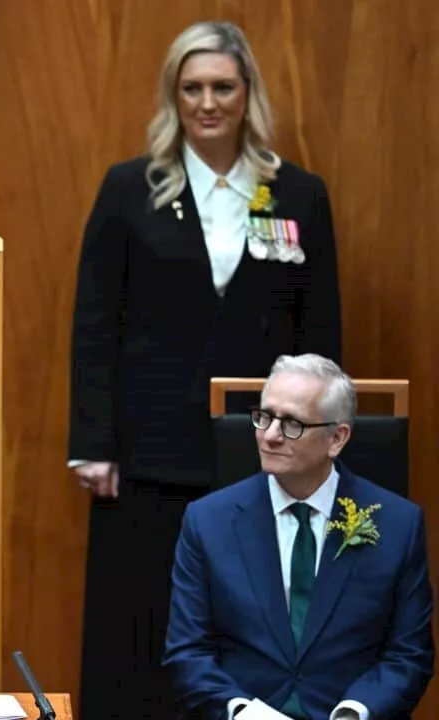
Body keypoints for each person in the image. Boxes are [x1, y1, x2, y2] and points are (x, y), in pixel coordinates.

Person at [68, 21, 343, 719]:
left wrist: (319, 440)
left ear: (247, 93)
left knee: (252, 615)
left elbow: (322, 332)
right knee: (138, 620)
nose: (208, 102)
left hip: (263, 447)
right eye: (192, 88)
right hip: (148, 447)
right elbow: (96, 323)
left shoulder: (297, 195)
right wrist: (93, 442)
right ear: (174, 97)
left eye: (222, 86)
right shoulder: (132, 188)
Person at [164, 354, 434, 719]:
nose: (271, 436)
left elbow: (409, 656)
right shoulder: (207, 521)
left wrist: (355, 712)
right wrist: (244, 712)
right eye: (264, 417)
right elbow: (187, 653)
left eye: (291, 424)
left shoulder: (399, 525)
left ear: (336, 438)